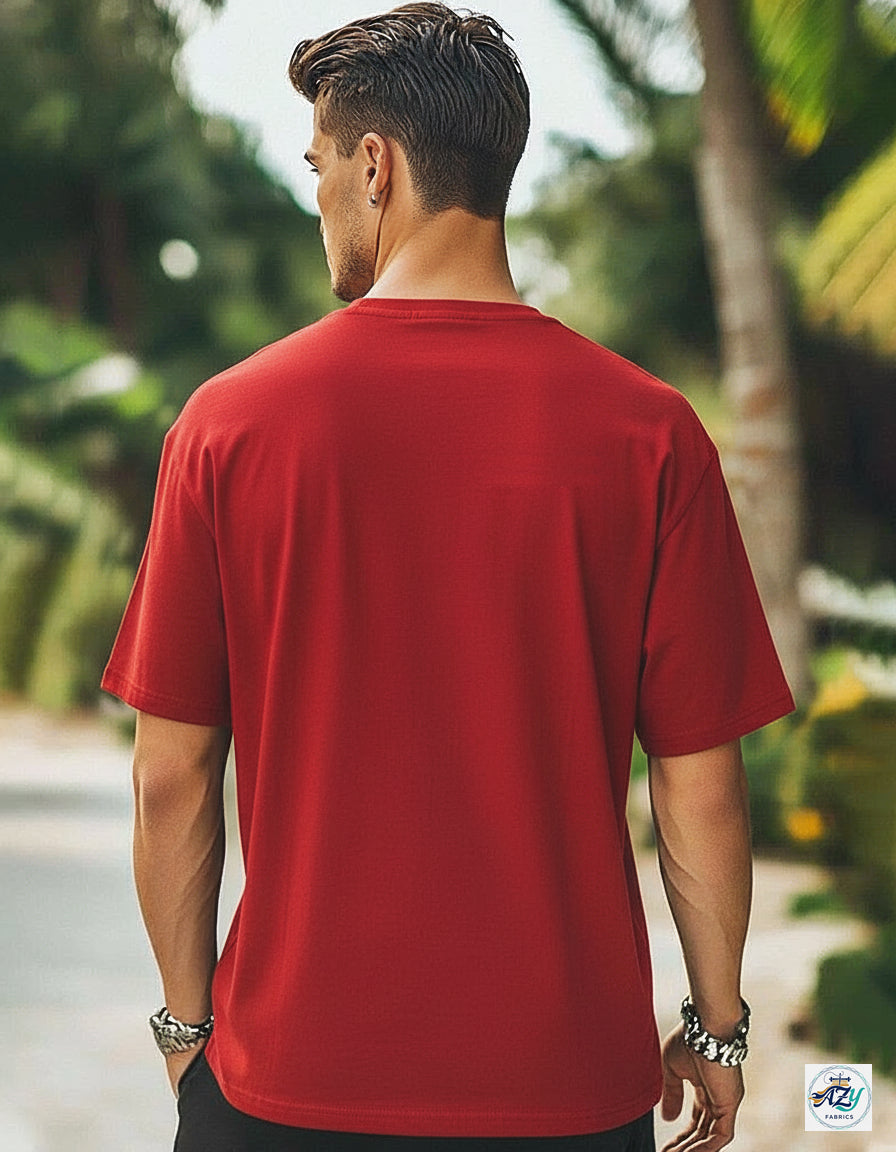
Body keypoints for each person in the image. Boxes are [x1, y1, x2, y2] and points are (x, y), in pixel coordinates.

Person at [101, 5, 795, 1151]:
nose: (319, 199)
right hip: (564, 1089)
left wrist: (187, 1030)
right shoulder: (650, 433)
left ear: (375, 167)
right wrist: (714, 1033)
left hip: (288, 1082)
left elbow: (170, 775)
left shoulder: (227, 426)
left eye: (319, 167)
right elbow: (699, 785)